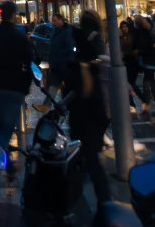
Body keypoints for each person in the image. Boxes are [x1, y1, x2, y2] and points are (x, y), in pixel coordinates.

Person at [0, 1, 33, 197]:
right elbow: (29, 64)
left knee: (3, 129)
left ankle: (10, 168)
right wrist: (25, 87)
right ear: (14, 15)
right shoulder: (20, 38)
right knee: (4, 134)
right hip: (14, 89)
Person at [63, 21, 111, 209]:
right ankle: (89, 198)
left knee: (87, 163)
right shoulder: (88, 66)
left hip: (85, 122)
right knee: (87, 162)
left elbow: (77, 94)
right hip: (89, 122)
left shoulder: (80, 68)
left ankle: (82, 200)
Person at [35, 13, 74, 109]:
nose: (53, 22)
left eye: (55, 20)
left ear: (61, 20)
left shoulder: (66, 31)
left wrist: (60, 56)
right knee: (53, 85)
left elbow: (69, 47)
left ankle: (68, 105)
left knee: (67, 87)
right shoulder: (55, 30)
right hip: (56, 64)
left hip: (64, 64)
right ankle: (46, 105)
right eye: (53, 20)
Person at [134, 15, 155, 116]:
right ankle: (147, 107)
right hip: (148, 61)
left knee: (147, 84)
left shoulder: (145, 34)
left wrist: (140, 52)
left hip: (150, 61)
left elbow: (151, 49)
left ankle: (146, 107)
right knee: (151, 84)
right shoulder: (145, 32)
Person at [119, 20, 142, 111]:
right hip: (125, 62)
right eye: (123, 27)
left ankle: (140, 98)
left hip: (132, 61)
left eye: (126, 26)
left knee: (131, 83)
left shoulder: (132, 36)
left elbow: (137, 48)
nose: (125, 28)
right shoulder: (120, 37)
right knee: (128, 82)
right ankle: (134, 101)